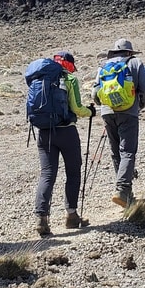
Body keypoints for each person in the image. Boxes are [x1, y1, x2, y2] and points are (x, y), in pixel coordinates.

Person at [33, 51, 93, 236]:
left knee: (47, 174)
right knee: (73, 172)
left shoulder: (39, 78)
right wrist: (90, 112)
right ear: (69, 64)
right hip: (67, 131)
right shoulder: (70, 80)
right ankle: (71, 216)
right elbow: (76, 108)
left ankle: (41, 219)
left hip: (44, 132)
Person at [94, 39, 145, 208]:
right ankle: (123, 190)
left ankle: (126, 193)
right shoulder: (135, 63)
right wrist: (139, 105)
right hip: (128, 112)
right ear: (129, 52)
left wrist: (104, 105)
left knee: (115, 151)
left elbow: (95, 92)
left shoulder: (103, 66)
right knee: (127, 151)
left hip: (107, 113)